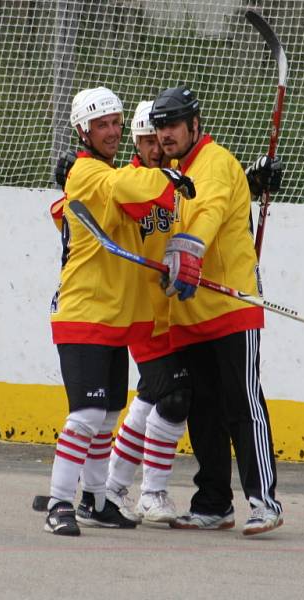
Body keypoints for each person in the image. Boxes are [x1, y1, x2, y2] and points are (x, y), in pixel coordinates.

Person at [45, 86, 196, 536]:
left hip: (116, 317)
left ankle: (95, 499)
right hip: (85, 312)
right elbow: (124, 186)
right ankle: (59, 503)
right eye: (101, 125)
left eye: (114, 122)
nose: (111, 131)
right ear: (83, 132)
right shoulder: (91, 173)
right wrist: (170, 176)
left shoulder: (103, 172)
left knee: (108, 415)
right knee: (87, 416)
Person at [148, 85, 284, 536]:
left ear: (194, 125)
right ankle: (213, 503)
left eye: (173, 125)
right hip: (188, 310)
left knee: (241, 403)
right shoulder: (166, 171)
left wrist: (190, 248)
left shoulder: (216, 161)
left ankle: (264, 501)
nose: (165, 134)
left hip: (230, 305)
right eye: (160, 126)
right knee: (203, 411)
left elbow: (209, 209)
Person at [105, 100, 190, 524]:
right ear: (134, 143)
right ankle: (152, 493)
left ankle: (112, 486)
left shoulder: (180, 180)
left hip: (178, 312)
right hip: (143, 312)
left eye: (159, 139)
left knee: (154, 395)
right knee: (173, 395)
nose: (155, 147)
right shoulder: (131, 181)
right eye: (145, 140)